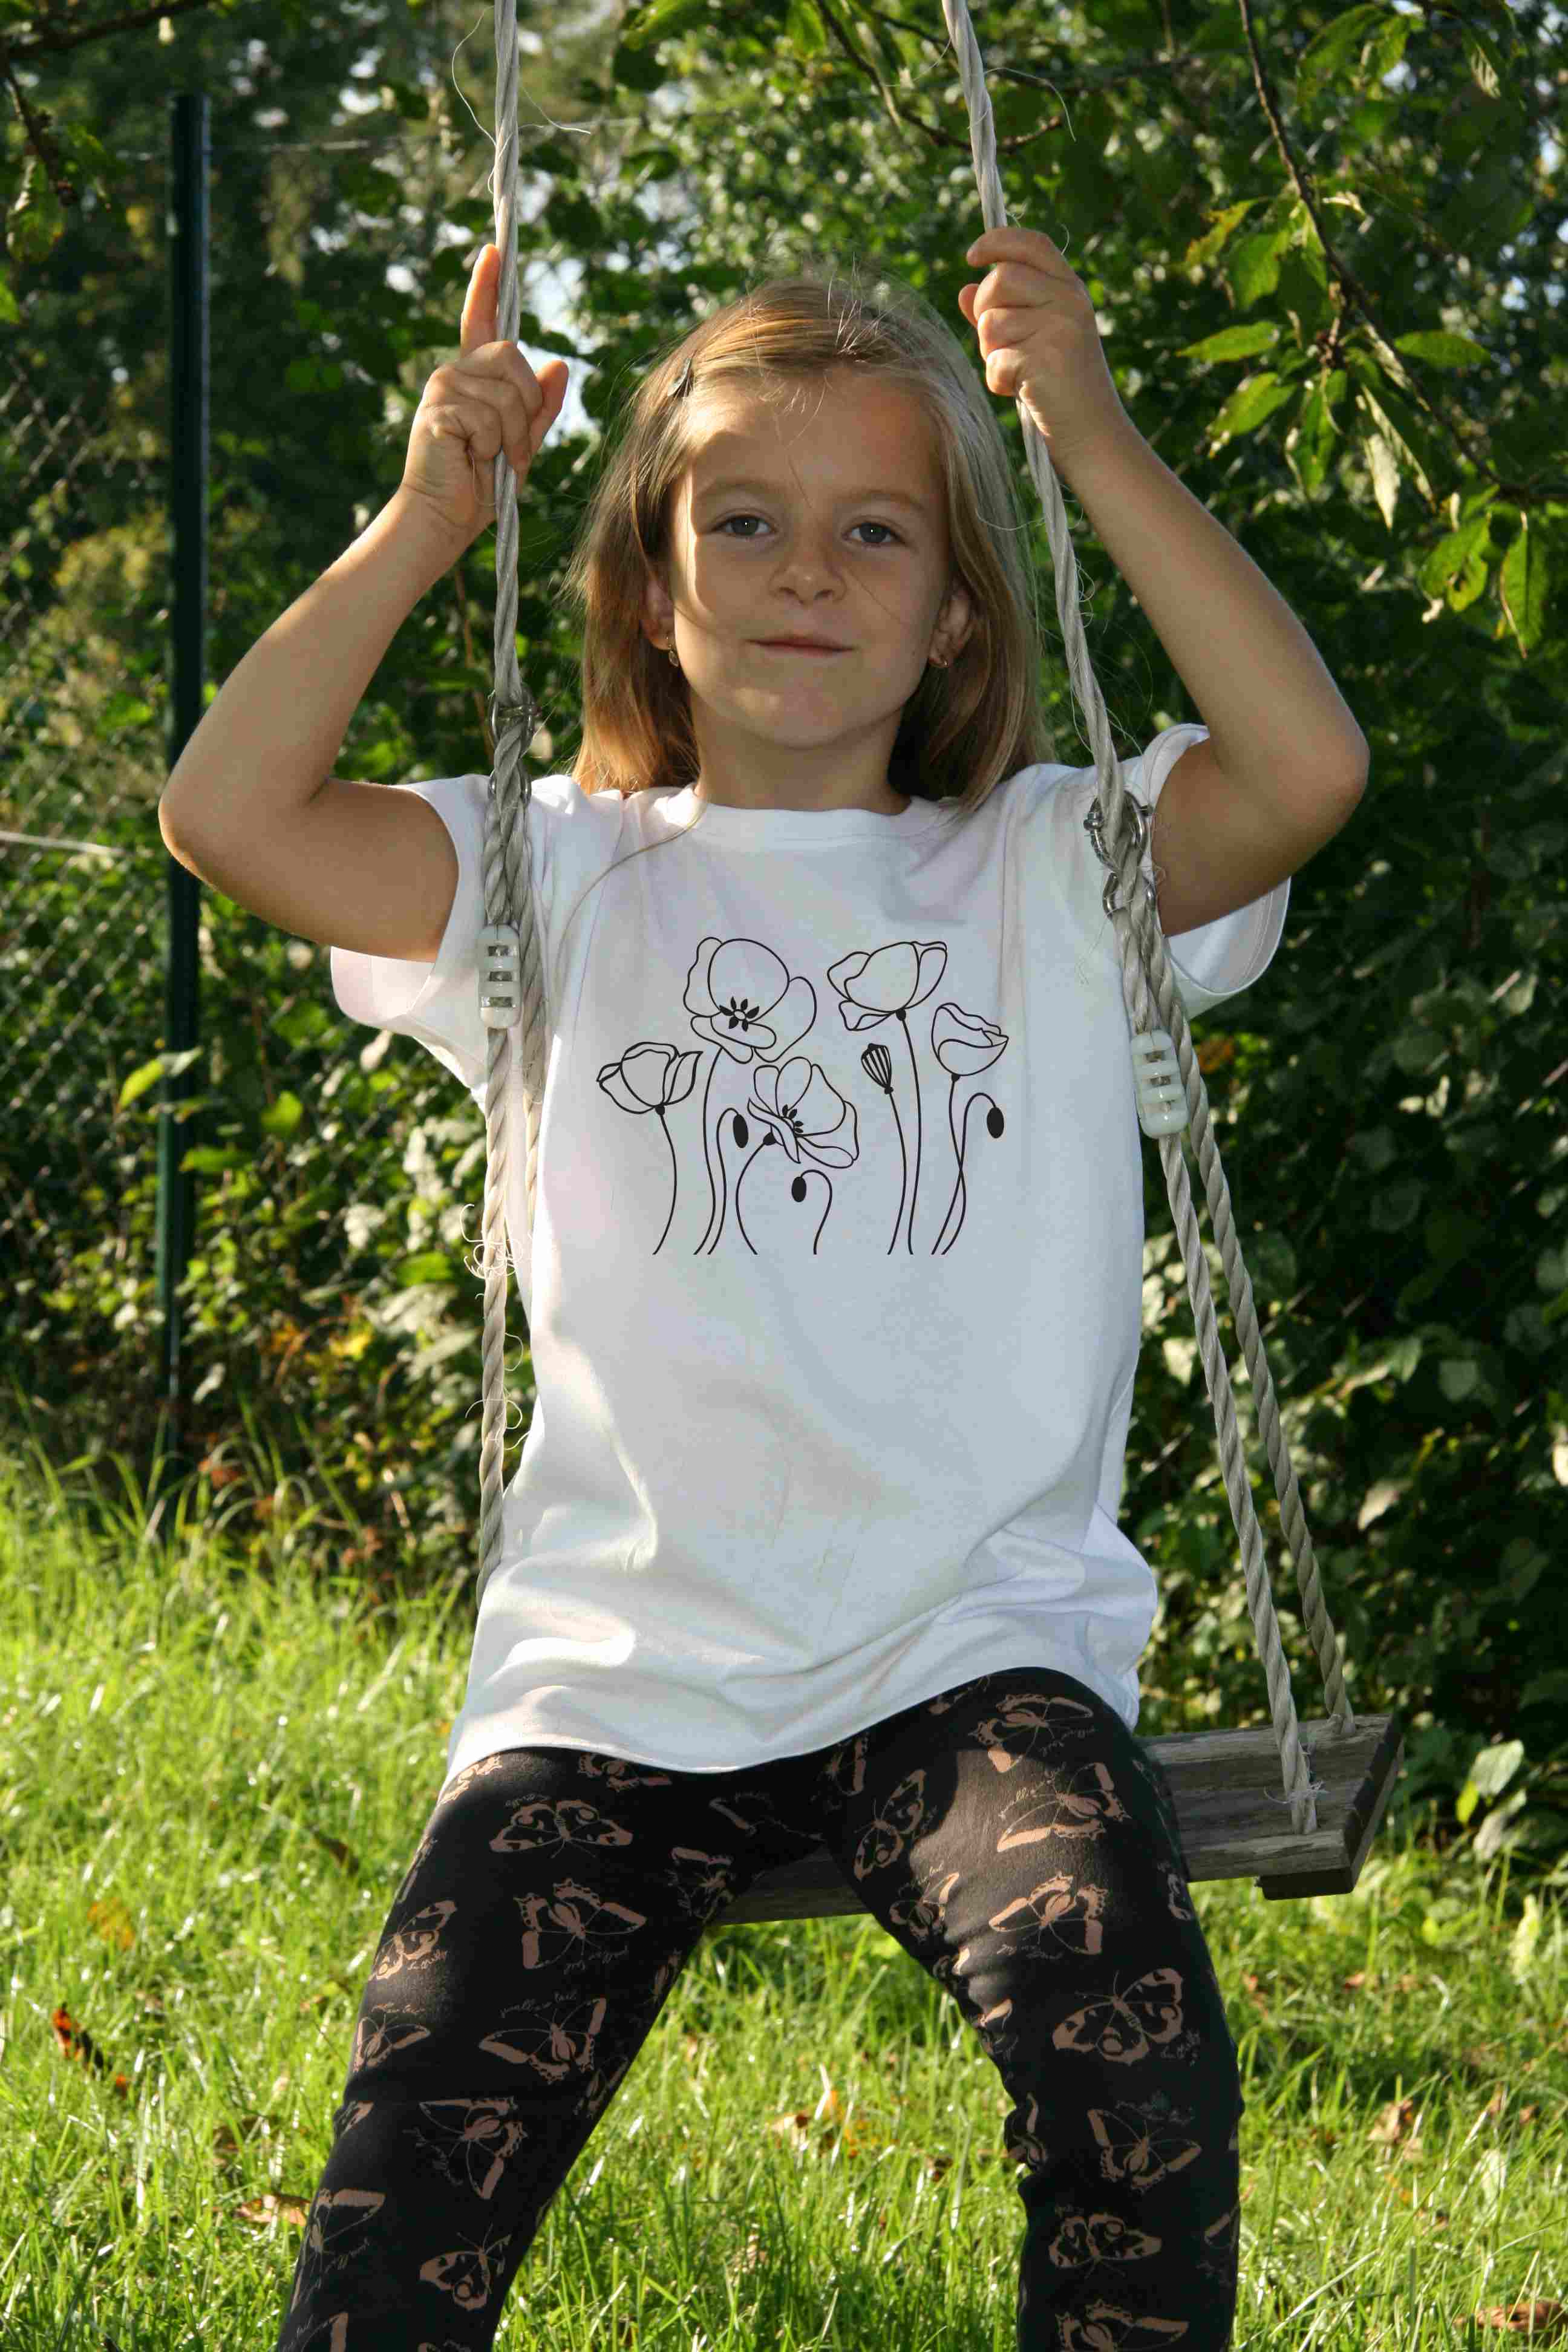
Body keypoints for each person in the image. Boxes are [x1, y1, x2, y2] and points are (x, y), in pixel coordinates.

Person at [163, 235, 1357, 2350]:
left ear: (958, 607)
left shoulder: (1052, 865)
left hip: (970, 1660)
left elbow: (1305, 770)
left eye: (877, 530)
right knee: (410, 2170)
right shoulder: (550, 873)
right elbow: (225, 811)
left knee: (1135, 2069)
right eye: (743, 523)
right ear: (649, 585)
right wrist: (428, 520)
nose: (808, 572)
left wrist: (1085, 432)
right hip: (615, 1682)